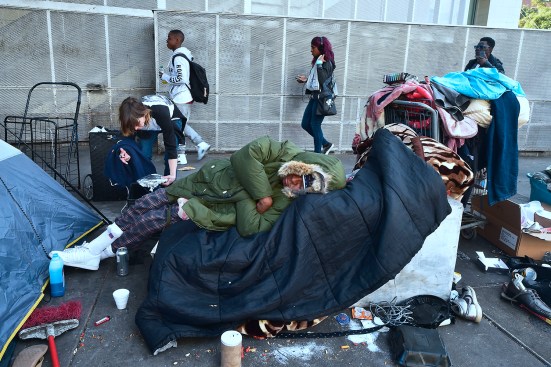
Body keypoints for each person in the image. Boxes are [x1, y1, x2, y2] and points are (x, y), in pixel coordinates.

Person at [50, 136, 346, 271]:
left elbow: (251, 227)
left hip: (210, 209)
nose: (294, 185)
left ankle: (103, 255)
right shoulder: (283, 151)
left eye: (303, 188)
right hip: (203, 182)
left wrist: (252, 195)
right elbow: (245, 156)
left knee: (149, 221)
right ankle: (91, 249)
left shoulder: (284, 201)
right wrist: (261, 195)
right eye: (300, 177)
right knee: (141, 206)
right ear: (302, 166)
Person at [159, 29, 211, 160]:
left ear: (177, 40)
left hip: (181, 97)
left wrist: (166, 76)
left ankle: (187, 152)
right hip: (180, 96)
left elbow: (181, 79)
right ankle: (196, 146)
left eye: (169, 38)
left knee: (178, 126)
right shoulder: (179, 56)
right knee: (179, 125)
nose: (167, 40)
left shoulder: (179, 57)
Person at [116, 95, 187, 187]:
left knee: (168, 157)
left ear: (143, 114)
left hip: (171, 119)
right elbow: (127, 140)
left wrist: (172, 175)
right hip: (149, 123)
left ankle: (169, 186)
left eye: (137, 124)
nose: (136, 128)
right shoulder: (132, 118)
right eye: (132, 126)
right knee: (144, 153)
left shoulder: (160, 111)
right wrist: (123, 151)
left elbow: (171, 146)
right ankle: (146, 185)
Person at [296, 36, 336, 155]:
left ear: (321, 48)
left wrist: (319, 64)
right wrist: (306, 80)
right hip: (315, 97)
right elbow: (317, 81)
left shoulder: (327, 62)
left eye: (313, 47)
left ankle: (318, 154)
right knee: (305, 124)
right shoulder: (318, 61)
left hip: (322, 99)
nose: (311, 50)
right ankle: (326, 144)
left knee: (315, 124)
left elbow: (323, 78)